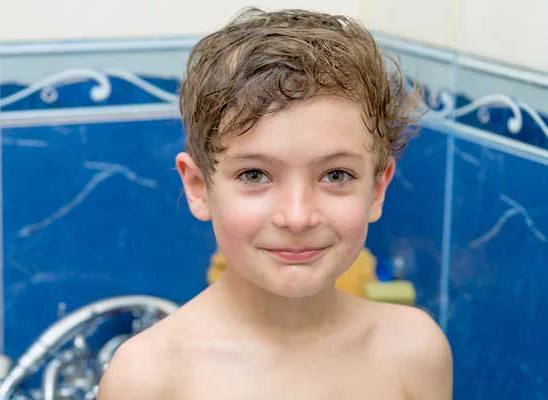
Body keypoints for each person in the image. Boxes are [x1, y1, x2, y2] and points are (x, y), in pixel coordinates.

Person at [98, 7, 453, 399]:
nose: (298, 217)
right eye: (254, 175)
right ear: (199, 187)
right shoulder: (149, 377)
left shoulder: (414, 351)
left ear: (377, 189)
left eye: (336, 175)